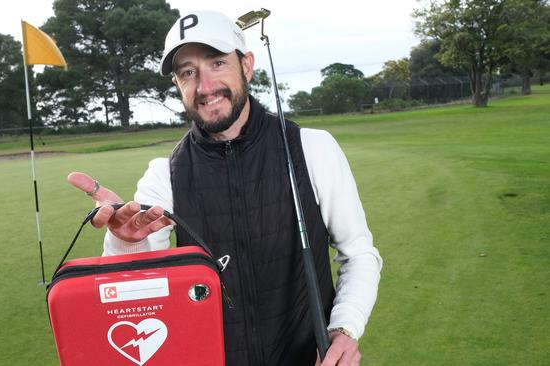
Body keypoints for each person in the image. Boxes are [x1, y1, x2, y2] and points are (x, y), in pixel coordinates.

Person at [68, 10, 382, 366]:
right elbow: (134, 288)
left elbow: (359, 255)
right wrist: (126, 242)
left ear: (246, 66)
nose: (204, 86)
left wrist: (344, 329)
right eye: (188, 72)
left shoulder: (313, 148)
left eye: (217, 63)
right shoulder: (163, 175)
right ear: (177, 84)